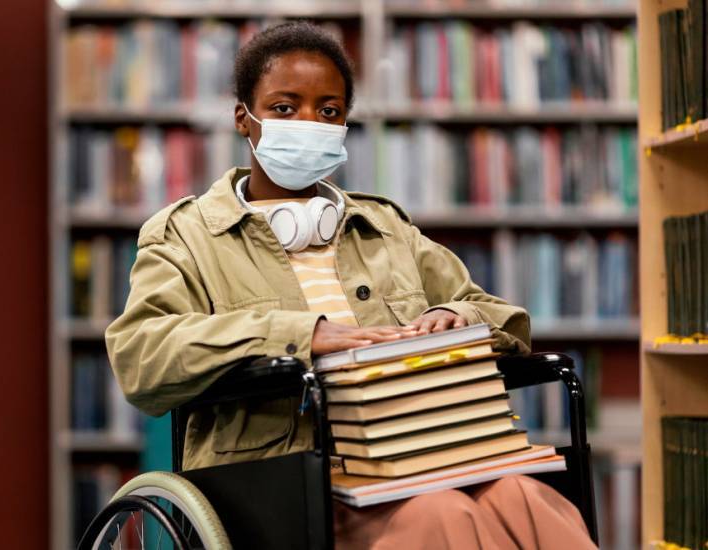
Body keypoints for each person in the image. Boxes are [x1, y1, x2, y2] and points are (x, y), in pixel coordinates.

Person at [106, 21, 596, 549]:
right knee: (442, 515)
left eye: (329, 110)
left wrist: (460, 320)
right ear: (243, 120)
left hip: (419, 452)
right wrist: (301, 335)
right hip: (282, 479)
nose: (310, 122)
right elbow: (142, 356)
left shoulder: (385, 227)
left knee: (524, 496)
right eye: (285, 108)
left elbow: (502, 317)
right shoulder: (185, 236)